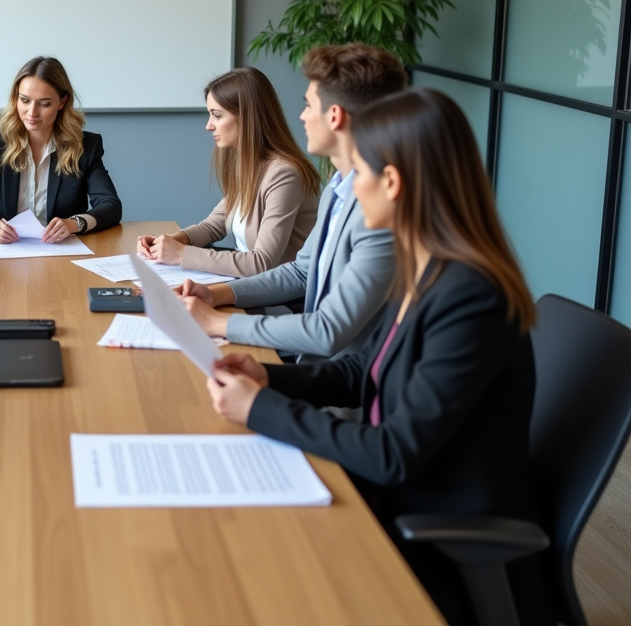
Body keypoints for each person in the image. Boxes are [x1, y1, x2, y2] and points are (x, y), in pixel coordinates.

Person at [196, 88, 550, 625]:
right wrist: (267, 379)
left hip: (436, 525)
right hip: (403, 488)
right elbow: (366, 371)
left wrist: (260, 411)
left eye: (355, 171)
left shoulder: (472, 296)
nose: (347, 189)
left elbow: (395, 453)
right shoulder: (428, 268)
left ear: (392, 183)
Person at [179, 43, 406, 363]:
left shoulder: (379, 214)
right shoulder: (337, 191)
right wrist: (216, 294)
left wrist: (220, 322)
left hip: (342, 384)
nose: (301, 116)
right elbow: (301, 271)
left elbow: (327, 332)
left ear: (335, 116)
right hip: (312, 360)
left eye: (308, 105)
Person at [137, 67, 320, 277]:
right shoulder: (251, 165)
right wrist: (172, 241)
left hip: (279, 299)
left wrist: (180, 254)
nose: (209, 126)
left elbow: (261, 263)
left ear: (248, 117)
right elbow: (213, 226)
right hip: (246, 283)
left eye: (217, 115)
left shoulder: (284, 175)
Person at [0, 56, 122, 242]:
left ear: (62, 102)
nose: (32, 112)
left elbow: (111, 206)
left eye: (44, 103)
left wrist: (73, 224)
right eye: (25, 100)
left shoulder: (85, 146)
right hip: (8, 254)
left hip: (63, 252)